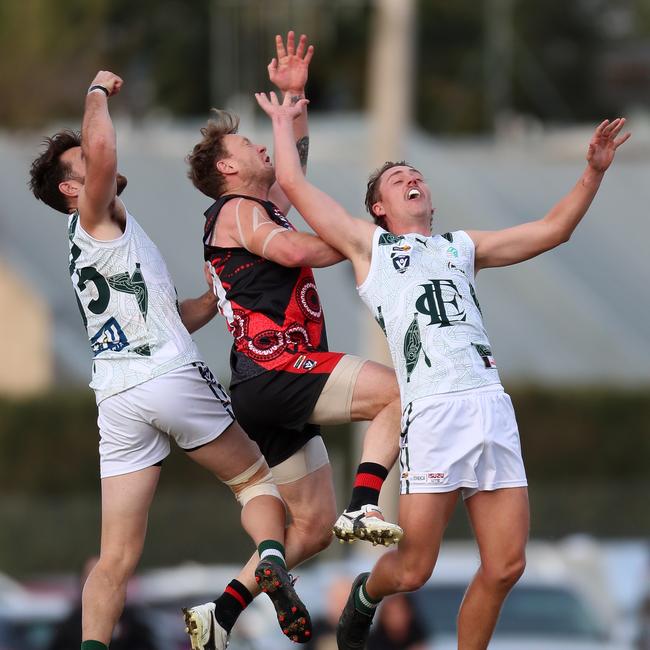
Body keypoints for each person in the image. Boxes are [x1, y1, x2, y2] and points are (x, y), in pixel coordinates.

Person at [255, 89, 631, 650]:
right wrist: (285, 121)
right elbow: (299, 186)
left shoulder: (460, 247)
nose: (414, 180)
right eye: (398, 177)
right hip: (433, 411)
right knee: (412, 571)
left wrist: (592, 174)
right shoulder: (370, 247)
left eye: (418, 174)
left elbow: (553, 231)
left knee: (506, 566)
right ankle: (365, 595)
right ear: (379, 206)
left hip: (489, 406)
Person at [28, 70, 312, 650]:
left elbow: (169, 317)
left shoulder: (97, 243)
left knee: (114, 557)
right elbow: (102, 148)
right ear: (69, 189)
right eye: (83, 162)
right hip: (167, 375)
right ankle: (272, 560)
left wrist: (211, 299)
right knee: (256, 482)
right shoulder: (95, 213)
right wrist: (97, 92)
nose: (100, 159)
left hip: (117, 397)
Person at [183, 33, 402, 650]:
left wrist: (295, 94)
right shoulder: (236, 210)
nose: (261, 146)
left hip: (261, 385)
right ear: (226, 168)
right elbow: (296, 247)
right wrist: (370, 241)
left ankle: (218, 617)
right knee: (396, 394)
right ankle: (367, 503)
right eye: (246, 144)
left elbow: (291, 164)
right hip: (279, 369)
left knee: (307, 531)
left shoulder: (259, 203)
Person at [47, 557, 158, 650]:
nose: (100, 585)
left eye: (105, 577)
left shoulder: (132, 622)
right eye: (92, 577)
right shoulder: (69, 626)